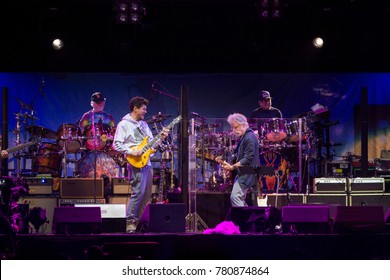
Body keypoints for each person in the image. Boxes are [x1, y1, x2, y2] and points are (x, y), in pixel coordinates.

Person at [113, 96, 168, 233]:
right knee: (138, 192)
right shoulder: (124, 124)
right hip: (135, 163)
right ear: (135, 108)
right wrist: (132, 151)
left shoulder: (143, 124)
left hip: (146, 162)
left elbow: (151, 143)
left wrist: (160, 138)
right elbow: (116, 144)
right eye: (143, 108)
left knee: (147, 194)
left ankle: (138, 221)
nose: (145, 111)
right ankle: (130, 222)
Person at [221, 113, 259, 207]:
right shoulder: (244, 137)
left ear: (243, 125)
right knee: (239, 198)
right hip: (243, 172)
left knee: (236, 197)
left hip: (247, 173)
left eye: (236, 127)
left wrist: (232, 167)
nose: (234, 130)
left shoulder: (249, 137)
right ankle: (249, 217)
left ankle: (244, 220)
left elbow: (248, 158)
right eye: (233, 128)